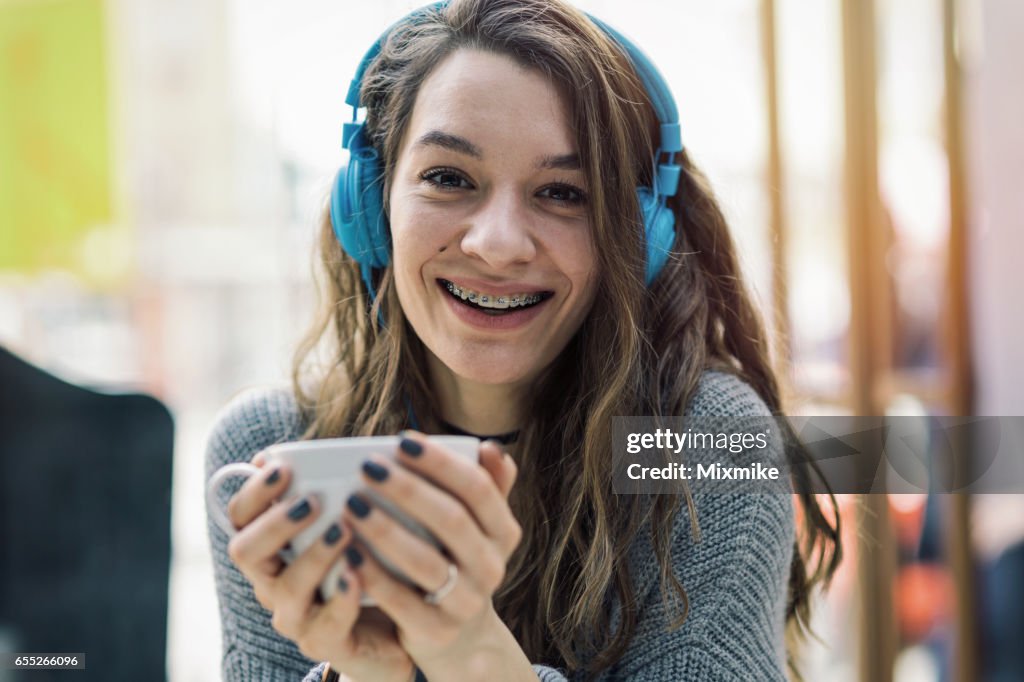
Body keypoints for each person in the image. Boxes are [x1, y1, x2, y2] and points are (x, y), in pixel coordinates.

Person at [205, 0, 842, 679]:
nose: (498, 244)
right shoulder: (271, 453)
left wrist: (469, 653)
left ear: (638, 238)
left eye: (563, 193)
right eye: (449, 178)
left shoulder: (709, 447)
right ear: (372, 202)